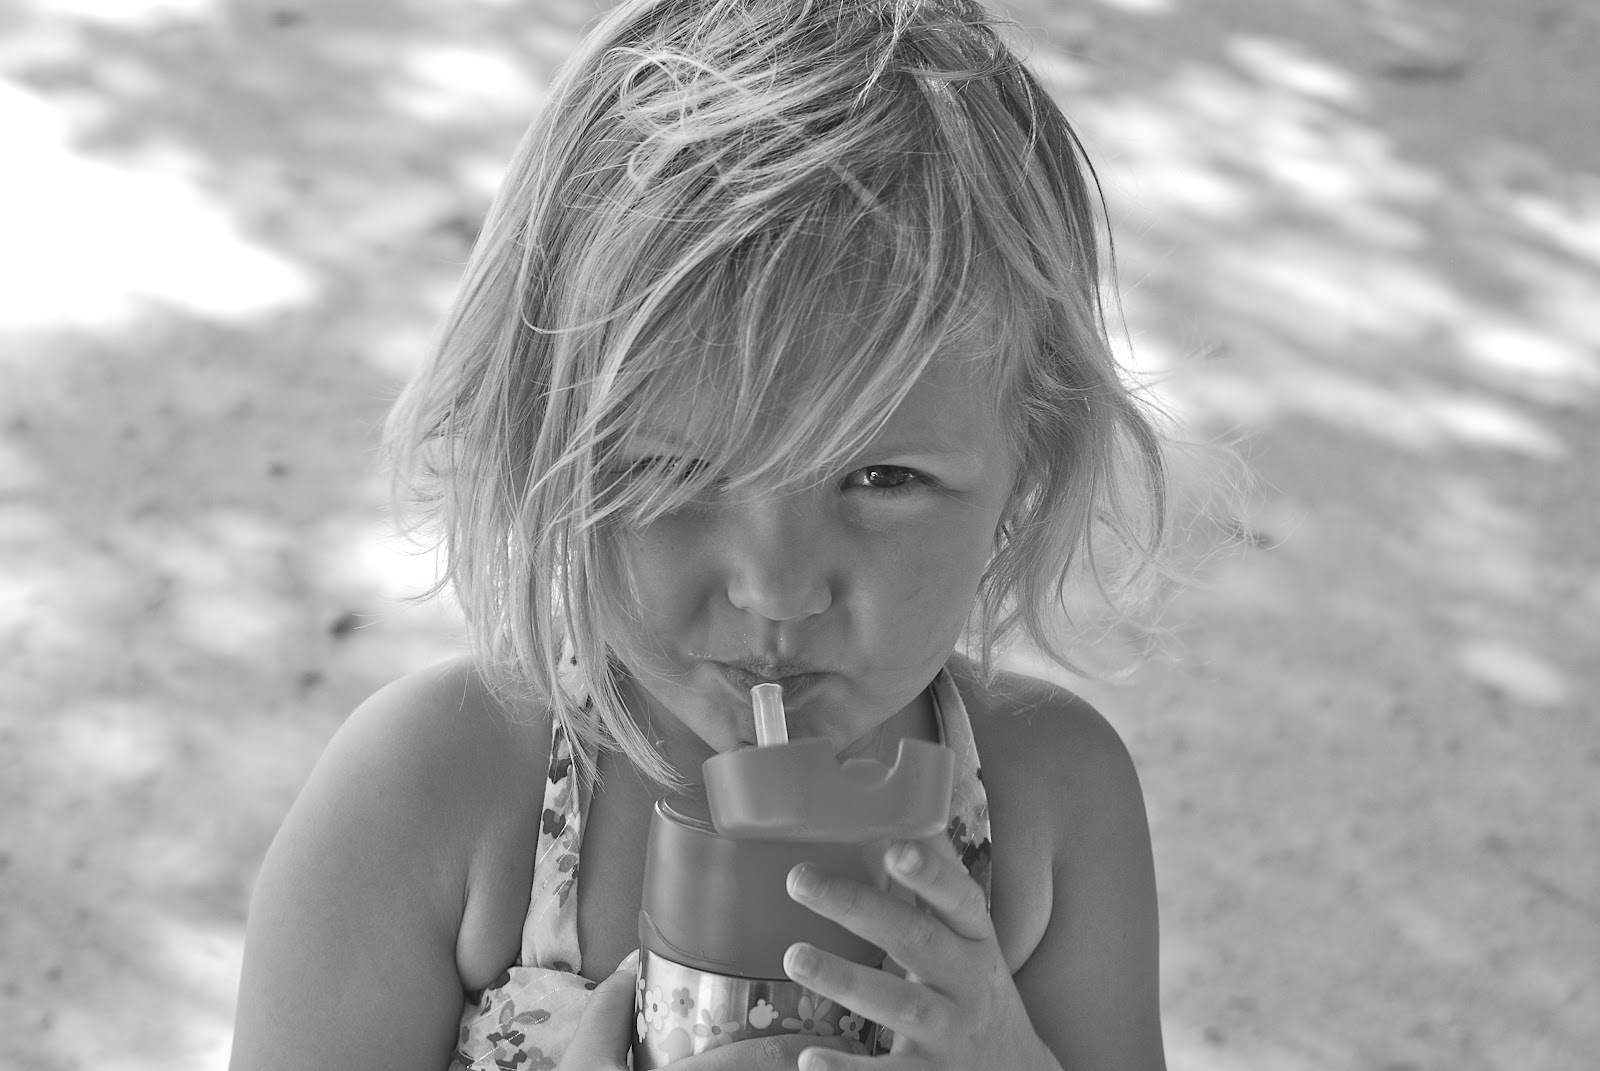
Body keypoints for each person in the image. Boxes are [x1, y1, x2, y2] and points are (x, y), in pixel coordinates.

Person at [230, 0, 1171, 1068]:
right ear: (542, 440)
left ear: (1027, 465)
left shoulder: (1048, 800)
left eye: (882, 477)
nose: (777, 588)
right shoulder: (436, 789)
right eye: (673, 473)